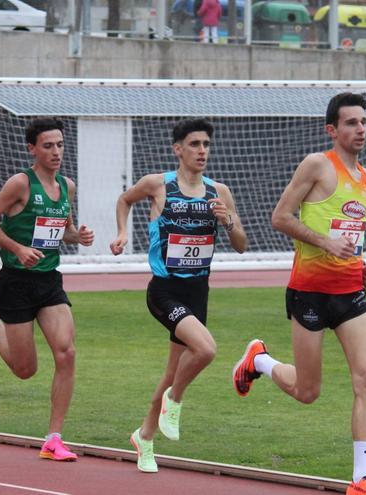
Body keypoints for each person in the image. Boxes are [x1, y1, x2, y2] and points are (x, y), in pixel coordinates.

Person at [231, 93, 366, 495]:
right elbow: (280, 217)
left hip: (350, 292)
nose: (360, 130)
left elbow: (351, 236)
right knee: (308, 391)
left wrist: (361, 267)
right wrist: (324, 243)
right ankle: (259, 360)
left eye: (364, 122)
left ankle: (361, 480)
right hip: (309, 292)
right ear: (332, 130)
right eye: (351, 123)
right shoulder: (318, 165)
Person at [110, 118, 247, 473]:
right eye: (195, 144)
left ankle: (145, 437)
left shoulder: (220, 192)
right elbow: (125, 200)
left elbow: (242, 245)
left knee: (172, 371)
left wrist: (227, 221)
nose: (202, 151)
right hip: (165, 289)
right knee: (206, 349)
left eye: (206, 145)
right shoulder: (158, 185)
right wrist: (123, 233)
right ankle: (175, 400)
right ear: (178, 149)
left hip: (198, 291)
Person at [0, 118, 94, 462]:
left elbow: (60, 231)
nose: (56, 152)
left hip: (49, 282)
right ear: (32, 149)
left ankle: (53, 438)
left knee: (66, 354)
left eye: (60, 145)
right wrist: (17, 248)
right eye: (48, 146)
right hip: (15, 283)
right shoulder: (20, 184)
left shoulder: (67, 185)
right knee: (25, 370)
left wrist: (76, 236)